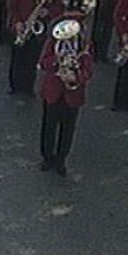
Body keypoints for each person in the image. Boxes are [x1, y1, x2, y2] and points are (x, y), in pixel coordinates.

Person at [37, 12, 94, 176]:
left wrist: (76, 76)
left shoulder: (85, 46)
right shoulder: (54, 42)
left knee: (67, 129)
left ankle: (61, 159)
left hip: (73, 94)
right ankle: (47, 158)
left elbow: (89, 70)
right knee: (49, 126)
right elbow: (43, 62)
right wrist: (57, 61)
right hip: (53, 90)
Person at [6, 0, 64, 94]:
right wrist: (17, 22)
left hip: (39, 29)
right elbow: (11, 4)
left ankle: (28, 87)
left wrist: (49, 12)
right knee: (18, 58)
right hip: (23, 25)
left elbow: (60, 8)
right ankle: (15, 86)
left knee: (32, 58)